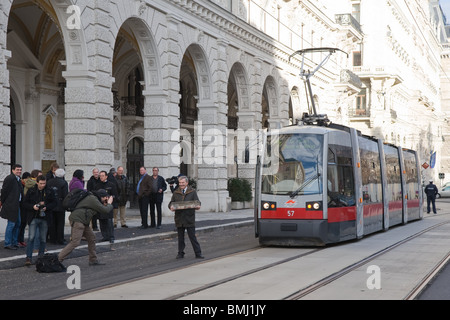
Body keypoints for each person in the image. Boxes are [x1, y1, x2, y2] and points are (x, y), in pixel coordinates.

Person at [58, 189, 113, 266]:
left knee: (91, 238)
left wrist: (104, 204)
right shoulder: (93, 199)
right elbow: (105, 210)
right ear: (102, 197)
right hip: (78, 221)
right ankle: (57, 259)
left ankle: (93, 260)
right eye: (106, 198)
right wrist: (109, 203)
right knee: (75, 242)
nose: (106, 200)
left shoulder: (93, 198)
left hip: (83, 221)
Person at [23, 175, 57, 265]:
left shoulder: (49, 191)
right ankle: (28, 257)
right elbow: (25, 203)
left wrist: (47, 207)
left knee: (43, 239)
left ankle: (41, 257)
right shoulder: (31, 190)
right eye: (41, 183)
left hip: (45, 217)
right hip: (33, 216)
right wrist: (33, 207)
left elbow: (55, 202)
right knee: (31, 237)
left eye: (44, 183)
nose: (42, 185)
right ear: (37, 182)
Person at [168, 176, 203, 259]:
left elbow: (197, 202)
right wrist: (171, 207)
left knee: (192, 237)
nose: (181, 184)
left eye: (183, 183)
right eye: (180, 183)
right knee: (180, 238)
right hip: (179, 218)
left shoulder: (192, 192)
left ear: (186, 183)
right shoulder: (176, 192)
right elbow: (171, 203)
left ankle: (198, 253)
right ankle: (180, 253)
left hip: (189, 218)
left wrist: (198, 206)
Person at [1, 164, 24, 250]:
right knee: (11, 224)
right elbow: (4, 191)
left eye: (20, 170)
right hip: (10, 205)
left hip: (16, 204)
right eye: (17, 170)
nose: (19, 171)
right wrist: (3, 202)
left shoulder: (18, 179)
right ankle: (8, 243)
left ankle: (14, 242)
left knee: (17, 223)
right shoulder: (10, 178)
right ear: (13, 170)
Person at [46, 168, 69, 244]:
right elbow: (65, 195)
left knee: (52, 223)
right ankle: (60, 239)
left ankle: (53, 238)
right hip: (60, 204)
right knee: (60, 223)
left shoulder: (49, 181)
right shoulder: (64, 183)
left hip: (51, 204)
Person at [95, 170, 118, 243]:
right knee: (102, 221)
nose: (101, 177)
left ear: (106, 176)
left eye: (102, 176)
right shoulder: (97, 185)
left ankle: (111, 237)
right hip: (100, 206)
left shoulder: (111, 185)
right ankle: (105, 236)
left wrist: (108, 198)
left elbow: (115, 195)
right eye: (100, 176)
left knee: (109, 221)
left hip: (108, 205)